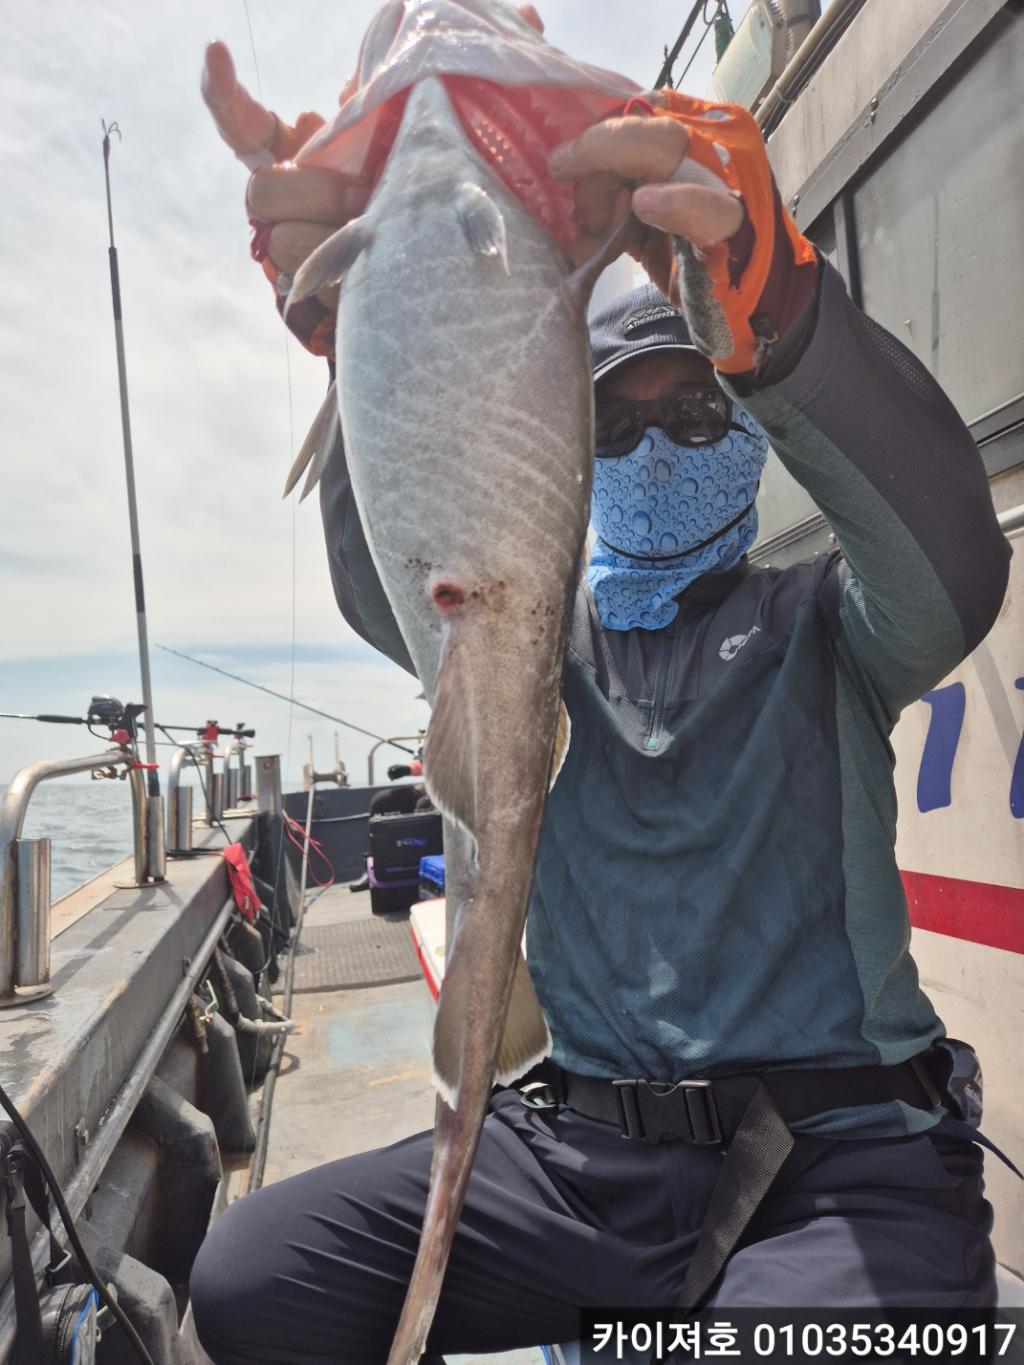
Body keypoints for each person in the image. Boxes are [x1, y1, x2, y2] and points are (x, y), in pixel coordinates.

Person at [191, 28, 1012, 1365]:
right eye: (612, 423)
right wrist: (378, 341)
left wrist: (787, 316)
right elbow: (382, 579)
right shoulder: (536, 656)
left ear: (751, 427)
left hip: (843, 1156)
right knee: (251, 1280)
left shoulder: (833, 624)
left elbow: (959, 563)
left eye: (700, 412)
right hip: (578, 1154)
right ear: (558, 445)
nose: (658, 442)